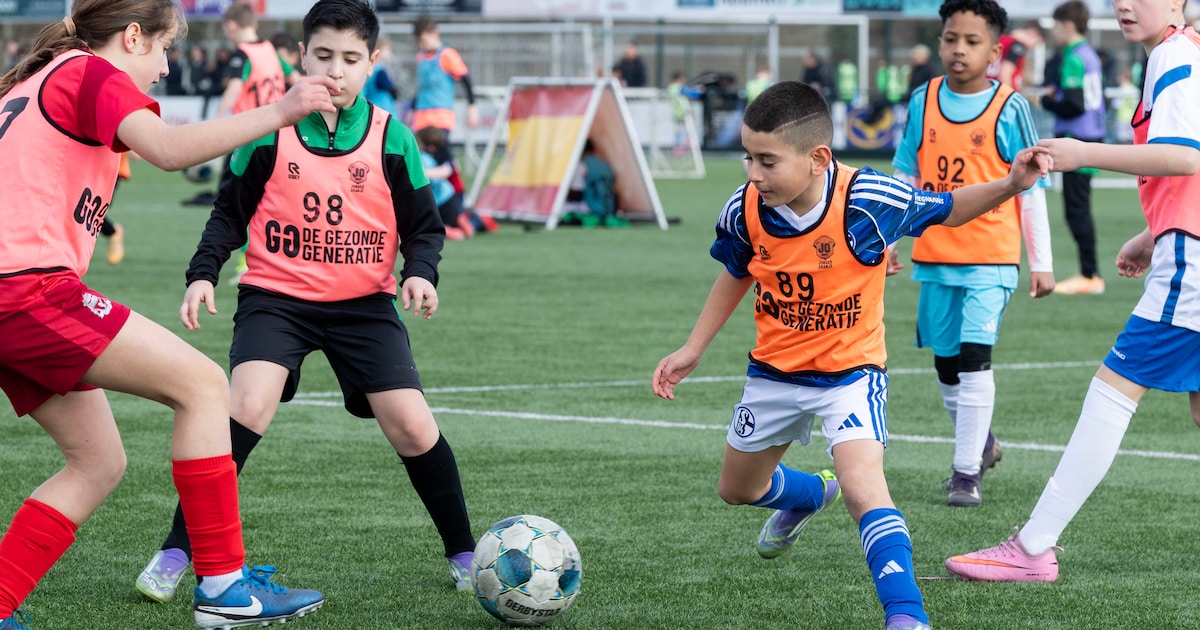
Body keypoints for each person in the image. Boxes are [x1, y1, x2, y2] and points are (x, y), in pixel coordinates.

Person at [651, 80, 1050, 630]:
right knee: (737, 490)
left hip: (850, 373)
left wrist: (1010, 183)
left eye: (767, 161)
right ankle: (813, 492)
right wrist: (694, 347)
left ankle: (907, 614)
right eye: (748, 157)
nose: (753, 173)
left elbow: (952, 207)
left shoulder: (869, 201)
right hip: (773, 372)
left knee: (865, 488)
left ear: (818, 158)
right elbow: (737, 272)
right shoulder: (744, 208)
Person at [0, 0, 341, 627]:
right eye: (162, 50)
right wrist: (282, 110)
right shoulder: (89, 72)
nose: (162, 69)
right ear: (132, 37)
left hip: (12, 295)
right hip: (24, 292)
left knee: (98, 461)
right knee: (207, 387)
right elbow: (168, 149)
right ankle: (224, 591)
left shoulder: (36, 78)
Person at [132, 0, 478, 607]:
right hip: (276, 299)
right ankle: (175, 551)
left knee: (413, 424)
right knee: (247, 403)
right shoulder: (268, 129)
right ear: (301, 56)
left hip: (364, 307)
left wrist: (421, 273)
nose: (335, 72)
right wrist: (202, 274)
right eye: (323, 56)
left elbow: (426, 227)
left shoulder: (393, 137)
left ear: (372, 62)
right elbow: (228, 214)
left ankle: (465, 555)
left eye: (350, 59)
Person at [945, 0, 1200, 585]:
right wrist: (1150, 233)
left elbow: (1185, 157)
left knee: (1114, 389)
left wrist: (1082, 153)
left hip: (1193, 258)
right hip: (1184, 242)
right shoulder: (1180, 51)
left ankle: (1033, 546)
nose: (1125, 4)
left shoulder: (1173, 55)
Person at [891, 0, 1055, 507]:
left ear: (994, 51)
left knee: (974, 358)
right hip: (936, 252)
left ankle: (965, 474)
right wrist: (889, 235)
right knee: (945, 365)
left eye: (971, 41)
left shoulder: (1011, 108)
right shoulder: (923, 98)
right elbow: (905, 173)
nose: (958, 49)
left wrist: (1042, 261)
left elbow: (1031, 188)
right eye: (950, 38)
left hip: (992, 254)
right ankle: (981, 444)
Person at [184, 2, 299, 208]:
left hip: (250, 133)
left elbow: (235, 88)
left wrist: (217, 120)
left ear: (231, 26)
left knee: (230, 200)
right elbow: (295, 78)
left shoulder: (243, 54)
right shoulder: (270, 49)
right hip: (277, 131)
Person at [1044, 0, 1108, 295]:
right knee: (1079, 208)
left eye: (1056, 25)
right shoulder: (1089, 54)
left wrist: (1046, 101)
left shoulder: (1074, 56)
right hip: (1091, 137)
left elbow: (1073, 105)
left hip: (1079, 140)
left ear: (1068, 25)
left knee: (1077, 210)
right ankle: (1089, 273)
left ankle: (1090, 274)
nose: (1054, 32)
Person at [415, 126, 468, 239]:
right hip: (451, 196)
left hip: (439, 204)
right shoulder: (434, 157)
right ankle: (459, 220)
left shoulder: (420, 158)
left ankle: (445, 229)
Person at [363, 37, 399, 117]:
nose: (390, 52)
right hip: (383, 108)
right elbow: (388, 87)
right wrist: (394, 92)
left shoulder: (367, 68)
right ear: (379, 51)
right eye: (387, 49)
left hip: (371, 106)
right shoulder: (379, 71)